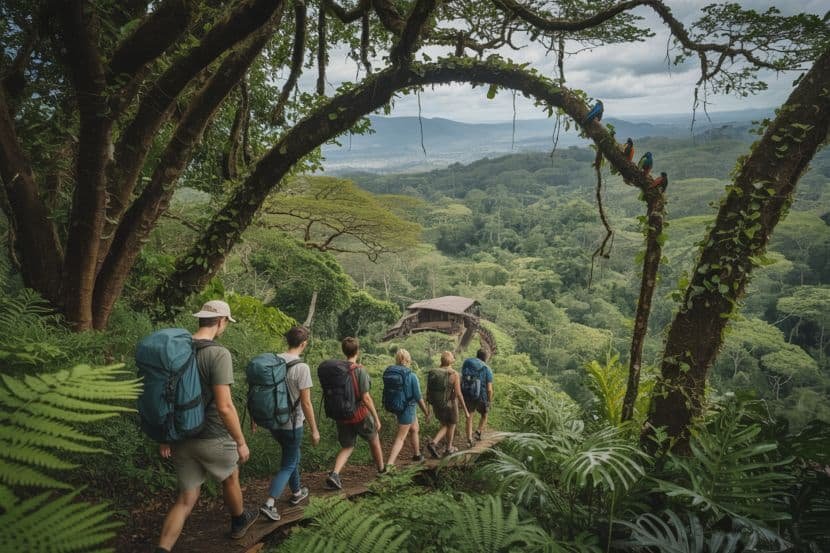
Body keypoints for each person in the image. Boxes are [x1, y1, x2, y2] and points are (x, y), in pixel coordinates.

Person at [155, 300, 258, 553]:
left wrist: (165, 436)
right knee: (230, 477)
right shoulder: (218, 354)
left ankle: (162, 548)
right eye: (226, 323)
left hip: (180, 436)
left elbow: (163, 395)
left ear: (201, 318)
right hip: (214, 436)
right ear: (221, 322)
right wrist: (241, 441)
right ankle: (239, 522)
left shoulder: (176, 350)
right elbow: (225, 406)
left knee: (185, 499)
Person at [257, 326, 320, 521]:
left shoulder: (274, 361)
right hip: (292, 424)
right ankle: (269, 503)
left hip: (274, 422)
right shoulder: (302, 368)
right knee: (289, 462)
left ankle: (297, 492)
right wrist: (315, 430)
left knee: (292, 456)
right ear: (304, 344)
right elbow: (306, 403)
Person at [324, 337, 385, 490]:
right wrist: (376, 418)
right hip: (360, 414)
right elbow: (366, 397)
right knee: (374, 439)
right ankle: (382, 470)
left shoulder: (339, 371)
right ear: (358, 351)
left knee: (347, 446)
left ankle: (335, 474)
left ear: (344, 351)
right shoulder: (359, 370)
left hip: (342, 415)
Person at [385, 348, 430, 467]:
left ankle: (417, 454)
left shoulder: (393, 374)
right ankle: (389, 465)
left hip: (400, 406)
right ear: (408, 360)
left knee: (414, 428)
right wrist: (426, 412)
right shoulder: (411, 376)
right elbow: (418, 397)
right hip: (407, 408)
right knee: (401, 438)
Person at [425, 351, 469, 457]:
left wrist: (428, 409)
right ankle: (444, 447)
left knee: (445, 425)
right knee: (451, 425)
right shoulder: (454, 374)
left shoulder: (434, 372)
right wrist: (466, 411)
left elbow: (428, 391)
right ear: (451, 360)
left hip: (437, 404)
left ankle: (443, 446)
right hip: (450, 405)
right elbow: (458, 394)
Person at [463, 349, 494, 447]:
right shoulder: (487, 368)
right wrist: (489, 401)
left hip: (468, 393)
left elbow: (463, 377)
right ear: (486, 357)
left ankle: (469, 439)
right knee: (484, 414)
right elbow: (489, 389)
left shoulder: (467, 362)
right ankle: (478, 431)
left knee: (469, 416)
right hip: (481, 395)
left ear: (477, 355)